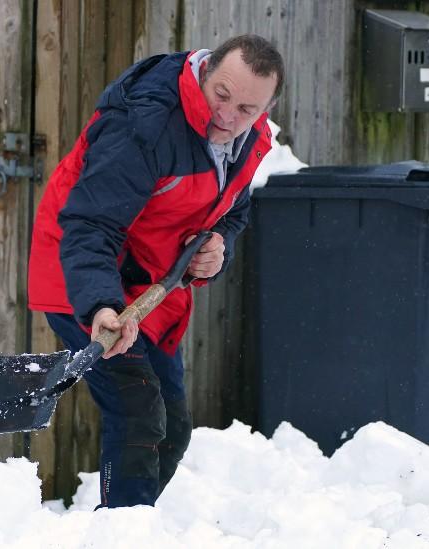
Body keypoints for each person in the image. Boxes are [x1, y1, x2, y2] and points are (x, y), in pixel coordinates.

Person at [28, 34, 284, 508]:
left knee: (170, 427)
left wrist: (217, 244)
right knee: (139, 413)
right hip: (80, 273)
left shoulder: (249, 142)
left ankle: (124, 523)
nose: (228, 116)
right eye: (222, 95)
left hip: (145, 286)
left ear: (266, 109)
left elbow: (232, 208)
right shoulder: (145, 124)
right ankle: (120, 533)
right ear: (204, 74)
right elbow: (90, 224)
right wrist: (101, 305)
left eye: (247, 108)